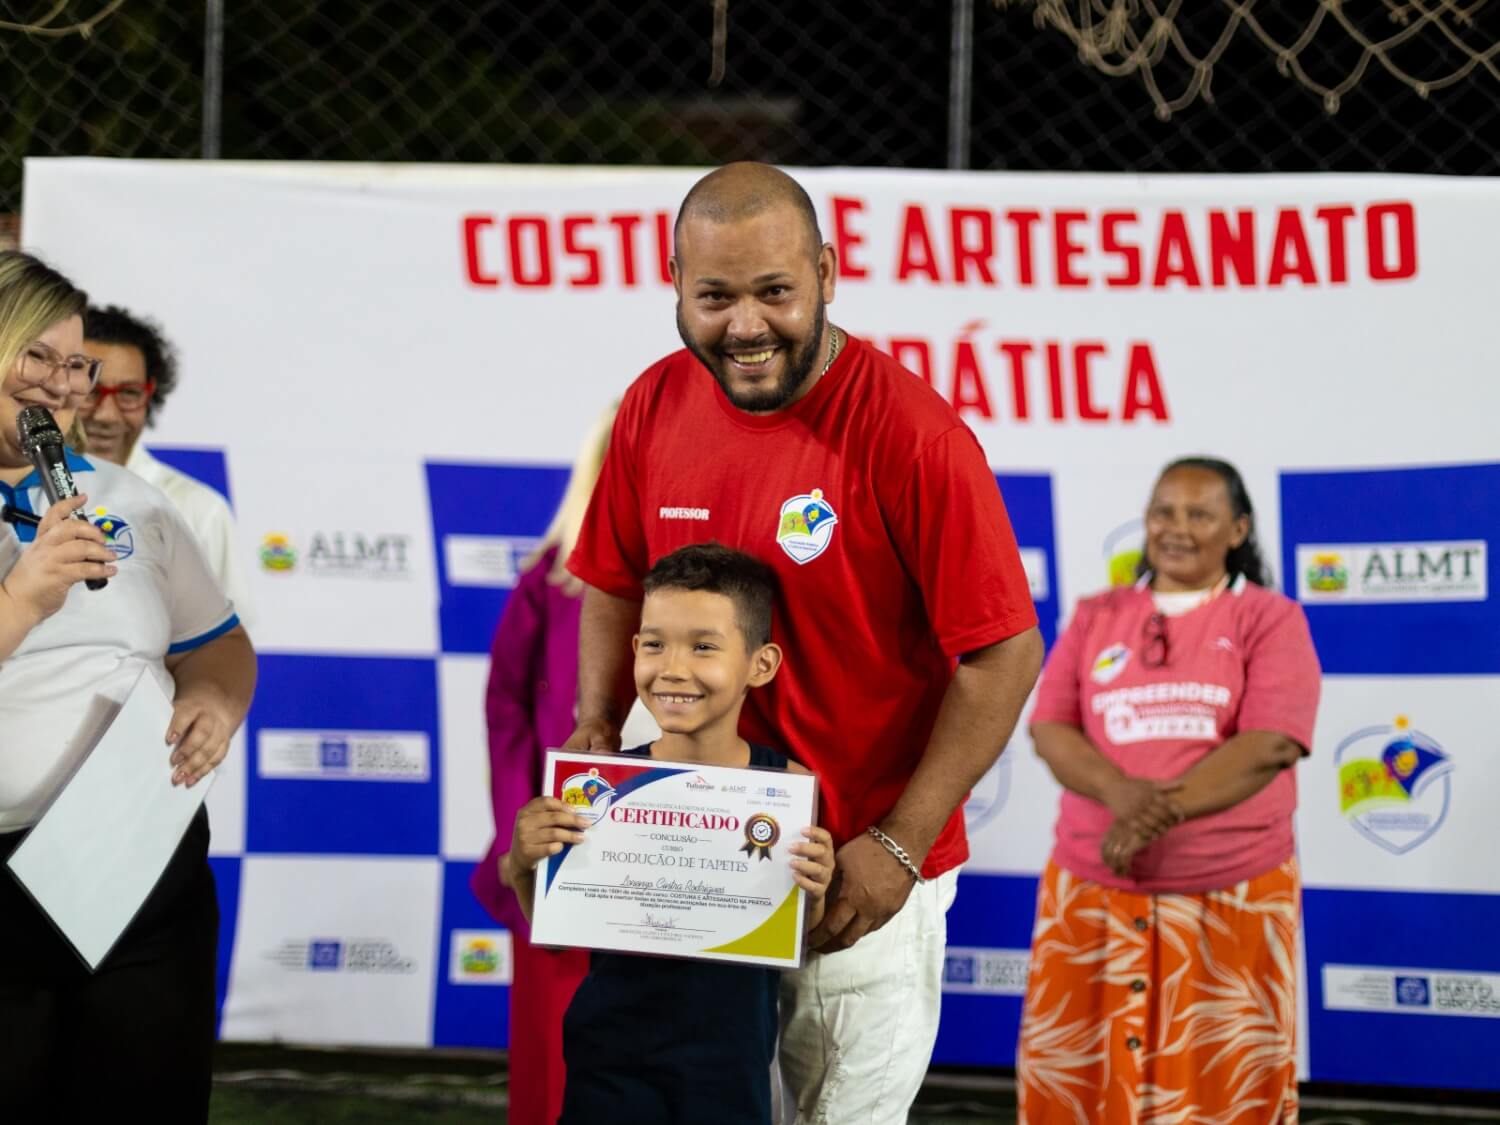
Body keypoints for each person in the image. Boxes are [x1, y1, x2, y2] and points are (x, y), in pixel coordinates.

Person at [564, 161, 1044, 1123]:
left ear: (825, 270)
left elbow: (1004, 651)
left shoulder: (913, 433)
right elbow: (614, 582)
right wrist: (592, 732)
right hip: (692, 854)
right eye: (715, 296)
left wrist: (898, 845)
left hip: (849, 877)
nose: (745, 325)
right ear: (674, 286)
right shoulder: (654, 404)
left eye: (774, 291)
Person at [0, 251, 256, 1122]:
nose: (63, 386)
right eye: (37, 357)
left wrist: (215, 702)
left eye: (77, 365)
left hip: (138, 857)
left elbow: (219, 644)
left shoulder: (130, 500)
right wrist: (21, 599)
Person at [1016, 456, 1320, 1124]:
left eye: (1198, 513)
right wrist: (1122, 794)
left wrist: (1159, 812)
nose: (1175, 527)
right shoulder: (1097, 613)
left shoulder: (1271, 618)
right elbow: (1050, 726)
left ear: (1237, 528)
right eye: (1163, 511)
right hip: (1091, 893)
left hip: (1229, 896)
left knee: (1222, 1082)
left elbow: (1270, 741)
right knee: (1081, 1083)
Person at [508, 543, 835, 1123]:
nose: (674, 668)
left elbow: (793, 937)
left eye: (704, 646)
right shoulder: (596, 786)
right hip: (607, 1066)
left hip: (728, 1072)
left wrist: (815, 888)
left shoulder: (787, 789)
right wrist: (521, 866)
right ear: (634, 650)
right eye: (655, 644)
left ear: (761, 664)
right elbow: (557, 935)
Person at [468, 404, 618, 1125]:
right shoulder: (551, 583)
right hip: (565, 857)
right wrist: (516, 832)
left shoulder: (710, 586)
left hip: (675, 861)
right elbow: (506, 709)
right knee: (556, 1060)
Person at [80, 304, 255, 631]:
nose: (106, 415)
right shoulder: (16, 495)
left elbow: (228, 650)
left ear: (150, 396)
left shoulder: (198, 510)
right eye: (91, 391)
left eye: (128, 394)